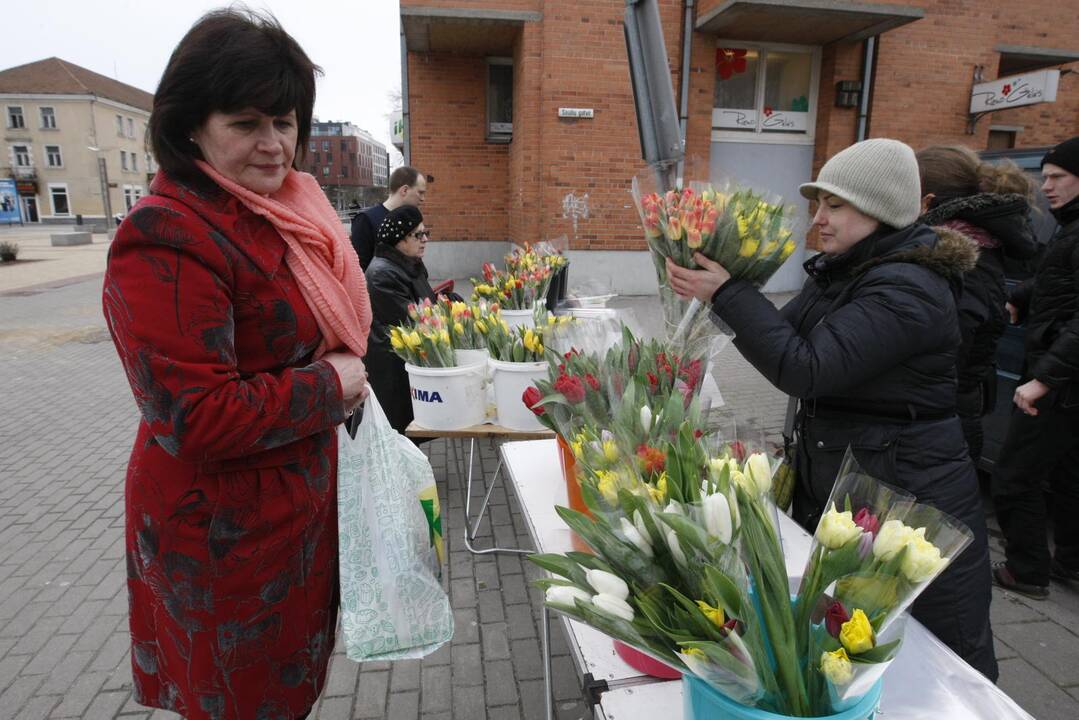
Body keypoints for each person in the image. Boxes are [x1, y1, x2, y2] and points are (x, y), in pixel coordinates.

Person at [101, 10, 371, 719]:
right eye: (246, 122)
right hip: (222, 545)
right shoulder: (166, 234)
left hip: (290, 526)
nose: (273, 143)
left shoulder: (277, 213)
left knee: (286, 698)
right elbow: (192, 416)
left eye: (283, 121)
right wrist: (329, 385)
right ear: (191, 124)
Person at [666, 138, 997, 680]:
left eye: (834, 206)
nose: (818, 219)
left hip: (911, 492)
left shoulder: (908, 286)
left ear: (881, 208)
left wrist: (728, 294)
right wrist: (713, 293)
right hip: (862, 477)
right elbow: (780, 332)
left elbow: (806, 367)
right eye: (817, 204)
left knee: (943, 651)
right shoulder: (847, 271)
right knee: (852, 638)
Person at [992, 136, 1079, 600]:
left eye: (1057, 177)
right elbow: (1053, 279)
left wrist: (1043, 378)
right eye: (1043, 177)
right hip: (1067, 383)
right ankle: (1071, 564)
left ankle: (1026, 571)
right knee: (1068, 478)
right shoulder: (1070, 230)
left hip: (1060, 384)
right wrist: (1017, 297)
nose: (1046, 187)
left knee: (1014, 477)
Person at [916, 145, 1037, 463]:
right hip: (947, 416)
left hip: (941, 425)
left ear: (928, 199)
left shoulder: (961, 259)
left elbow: (949, 353)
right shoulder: (968, 247)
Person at [364, 205, 439, 434]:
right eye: (418, 234)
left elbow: (425, 305)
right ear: (399, 239)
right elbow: (411, 321)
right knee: (402, 431)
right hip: (393, 367)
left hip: (405, 362)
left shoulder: (408, 264)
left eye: (426, 233)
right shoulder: (383, 274)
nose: (424, 239)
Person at [351, 166, 427, 271]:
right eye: (420, 192)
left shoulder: (412, 220)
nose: (423, 199)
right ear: (404, 190)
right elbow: (359, 270)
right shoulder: (366, 220)